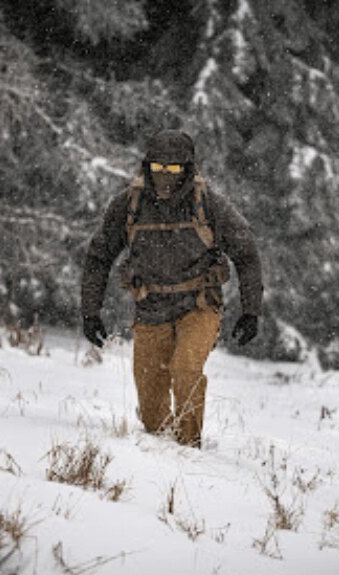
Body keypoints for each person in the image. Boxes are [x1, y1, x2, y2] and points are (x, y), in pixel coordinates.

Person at [80, 130, 263, 448]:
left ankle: (189, 448)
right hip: (151, 306)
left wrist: (251, 311)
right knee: (150, 397)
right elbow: (98, 257)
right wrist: (90, 311)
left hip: (199, 304)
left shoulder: (209, 206)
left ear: (188, 170)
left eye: (174, 170)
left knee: (185, 368)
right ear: (147, 166)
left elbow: (247, 254)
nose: (165, 176)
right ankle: (160, 454)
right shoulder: (128, 205)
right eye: (158, 168)